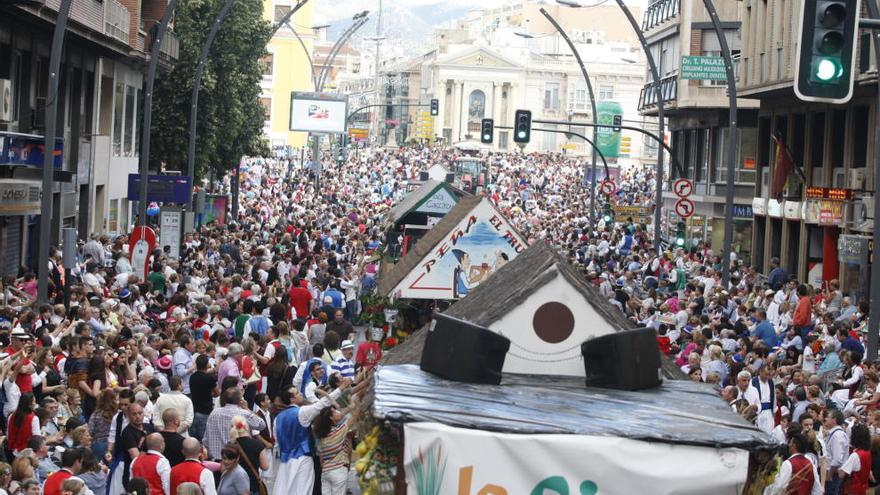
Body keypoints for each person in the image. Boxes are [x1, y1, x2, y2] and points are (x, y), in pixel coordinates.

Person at [272, 378, 353, 495]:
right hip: (302, 459)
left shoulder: (277, 418)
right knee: (303, 490)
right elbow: (323, 403)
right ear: (292, 399)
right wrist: (341, 388)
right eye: (297, 393)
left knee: (286, 490)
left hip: (285, 461)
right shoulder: (302, 412)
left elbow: (277, 441)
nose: (300, 394)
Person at [313, 396, 361, 495]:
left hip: (326, 472)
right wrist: (357, 405)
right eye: (334, 412)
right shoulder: (338, 431)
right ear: (330, 418)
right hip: (338, 471)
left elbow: (321, 458)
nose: (337, 412)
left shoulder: (321, 436)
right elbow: (354, 418)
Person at [202, 389, 265, 461]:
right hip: (235, 461)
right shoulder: (243, 413)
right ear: (240, 400)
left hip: (215, 459)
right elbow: (261, 424)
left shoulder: (214, 413)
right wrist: (247, 408)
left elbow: (205, 440)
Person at [227, 416, 269, 495]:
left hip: (234, 486)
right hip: (252, 485)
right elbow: (265, 466)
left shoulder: (230, 446)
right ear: (247, 427)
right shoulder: (257, 444)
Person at [188, 356, 216, 442]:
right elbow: (217, 392)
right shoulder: (209, 378)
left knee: (194, 437)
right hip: (205, 410)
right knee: (204, 438)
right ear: (207, 365)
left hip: (194, 409)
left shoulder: (192, 377)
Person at [839, 423, 872, 495]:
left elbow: (841, 474)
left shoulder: (855, 455)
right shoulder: (867, 452)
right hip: (864, 489)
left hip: (854, 490)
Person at [824, 409, 849, 495]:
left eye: (828, 417)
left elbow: (837, 460)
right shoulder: (834, 434)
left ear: (834, 420)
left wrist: (829, 475)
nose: (825, 419)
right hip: (831, 473)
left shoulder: (838, 435)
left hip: (833, 475)